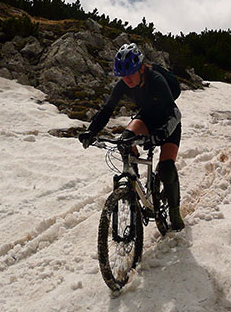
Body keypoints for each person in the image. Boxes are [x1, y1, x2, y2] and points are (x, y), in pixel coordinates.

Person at [79, 42, 185, 231]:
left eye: (130, 74)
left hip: (168, 123)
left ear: (141, 69)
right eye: (122, 75)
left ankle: (175, 213)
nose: (126, 79)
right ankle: (133, 184)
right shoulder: (123, 84)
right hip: (147, 118)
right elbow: (107, 110)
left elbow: (175, 113)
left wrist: (162, 133)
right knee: (124, 141)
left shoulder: (156, 79)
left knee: (166, 169)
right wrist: (91, 131)